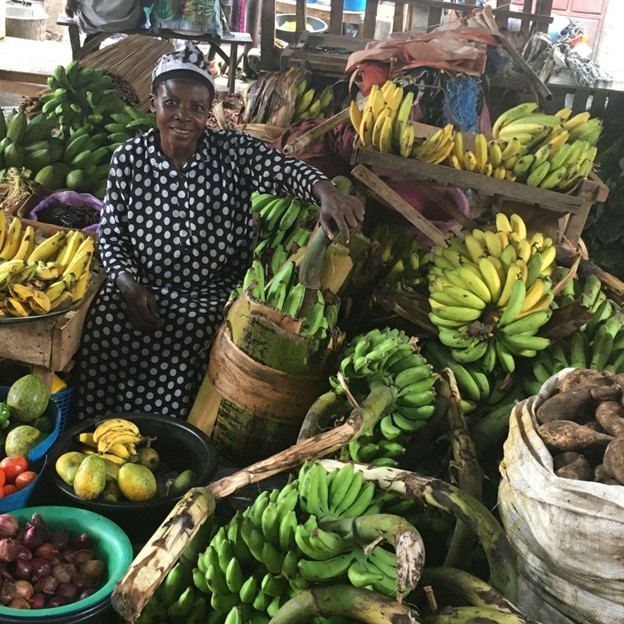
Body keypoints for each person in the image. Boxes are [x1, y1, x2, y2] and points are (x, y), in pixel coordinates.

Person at [74, 42, 365, 420]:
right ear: (153, 103)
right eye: (172, 103)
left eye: (197, 107)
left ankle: (161, 437)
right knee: (105, 316)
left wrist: (325, 191)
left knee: (187, 328)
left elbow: (282, 169)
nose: (183, 116)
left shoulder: (232, 152)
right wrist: (128, 284)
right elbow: (111, 235)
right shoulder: (128, 158)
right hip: (140, 284)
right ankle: (96, 429)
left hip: (208, 291)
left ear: (209, 112)